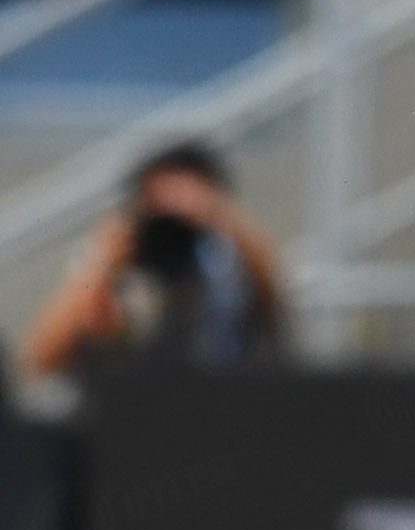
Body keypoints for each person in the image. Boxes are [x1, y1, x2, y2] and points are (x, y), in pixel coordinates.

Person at [19, 143, 284, 383]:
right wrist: (102, 262)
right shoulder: (115, 264)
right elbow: (40, 358)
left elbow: (278, 301)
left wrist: (222, 219)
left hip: (220, 400)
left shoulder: (227, 260)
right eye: (159, 203)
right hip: (131, 403)